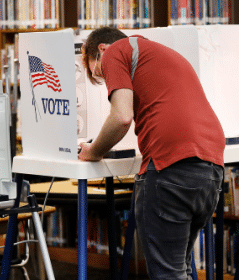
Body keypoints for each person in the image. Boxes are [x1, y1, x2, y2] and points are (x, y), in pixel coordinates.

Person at [78, 27, 225, 279]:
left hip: (170, 168)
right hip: (211, 169)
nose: (107, 82)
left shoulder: (115, 51)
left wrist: (93, 151)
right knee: (180, 269)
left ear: (102, 49)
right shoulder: (164, 53)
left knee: (168, 273)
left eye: (100, 73)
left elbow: (122, 117)